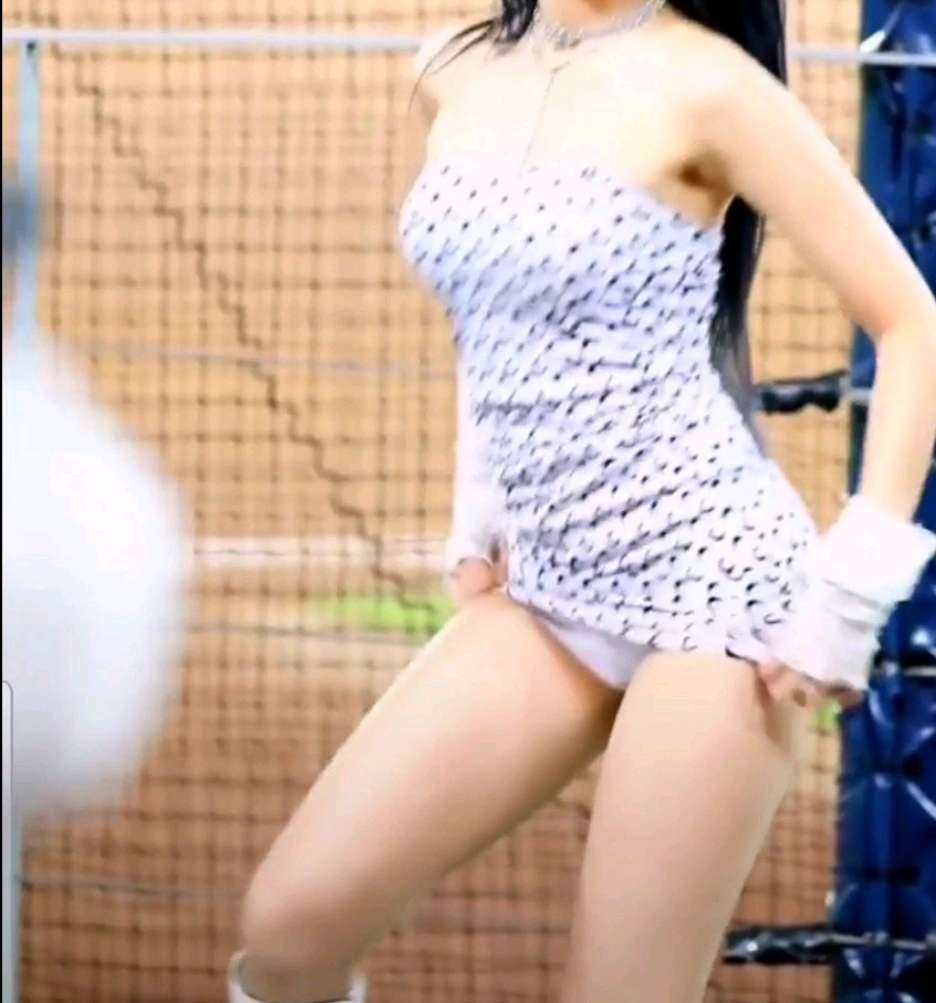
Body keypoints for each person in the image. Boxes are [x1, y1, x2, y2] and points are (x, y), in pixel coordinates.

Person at [227, 3, 936, 1001]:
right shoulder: (452, 66)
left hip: (715, 594)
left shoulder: (712, 84)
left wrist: (850, 595)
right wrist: (479, 499)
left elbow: (913, 323)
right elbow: (496, 303)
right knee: (291, 925)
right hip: (549, 587)